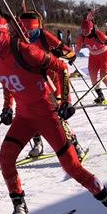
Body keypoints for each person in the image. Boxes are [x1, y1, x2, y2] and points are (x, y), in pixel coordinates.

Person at [0, 12, 107, 214]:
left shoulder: (26, 51)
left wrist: (65, 101)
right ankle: (20, 210)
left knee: (72, 166)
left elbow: (62, 67)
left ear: (3, 32)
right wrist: (6, 107)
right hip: (24, 117)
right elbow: (7, 83)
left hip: (47, 114)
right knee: (5, 159)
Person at [18, 11, 76, 159]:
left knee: (57, 115)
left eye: (31, 31)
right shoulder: (17, 39)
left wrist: (59, 53)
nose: (28, 35)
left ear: (37, 27)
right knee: (29, 114)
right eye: (25, 31)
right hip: (31, 82)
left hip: (51, 81)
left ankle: (74, 145)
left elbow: (70, 53)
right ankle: (37, 144)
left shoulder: (44, 36)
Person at [75, 13, 107, 104]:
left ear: (91, 29)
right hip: (93, 57)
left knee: (104, 76)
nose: (84, 32)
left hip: (105, 54)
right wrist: (73, 57)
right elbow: (78, 48)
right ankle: (100, 96)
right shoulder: (81, 37)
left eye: (86, 30)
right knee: (92, 76)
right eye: (83, 30)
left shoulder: (98, 34)